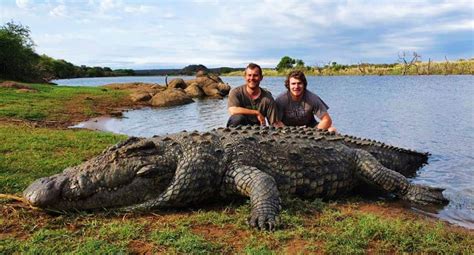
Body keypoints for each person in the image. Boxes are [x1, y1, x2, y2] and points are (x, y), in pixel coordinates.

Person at [227, 63, 282, 127]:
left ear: (261, 78)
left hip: (258, 130)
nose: (252, 78)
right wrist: (256, 112)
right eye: (249, 75)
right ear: (245, 77)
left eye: (255, 75)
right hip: (238, 129)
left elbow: (274, 123)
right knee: (237, 118)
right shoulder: (236, 92)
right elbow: (232, 110)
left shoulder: (268, 97)